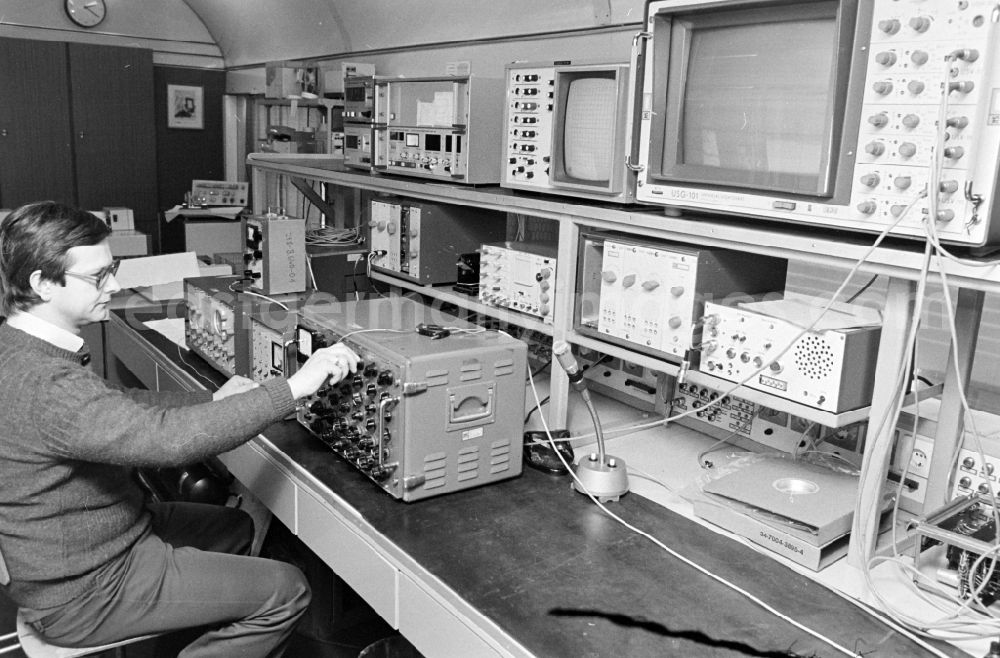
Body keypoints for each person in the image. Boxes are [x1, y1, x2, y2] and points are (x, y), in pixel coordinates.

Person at [0, 201, 360, 657]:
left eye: (112, 270)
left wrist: (211, 400)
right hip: (87, 590)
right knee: (286, 590)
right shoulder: (46, 382)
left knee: (235, 527)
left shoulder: (18, 347)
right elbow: (165, 442)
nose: (113, 285)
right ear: (42, 283)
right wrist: (292, 388)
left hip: (90, 545)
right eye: (98, 277)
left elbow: (116, 407)